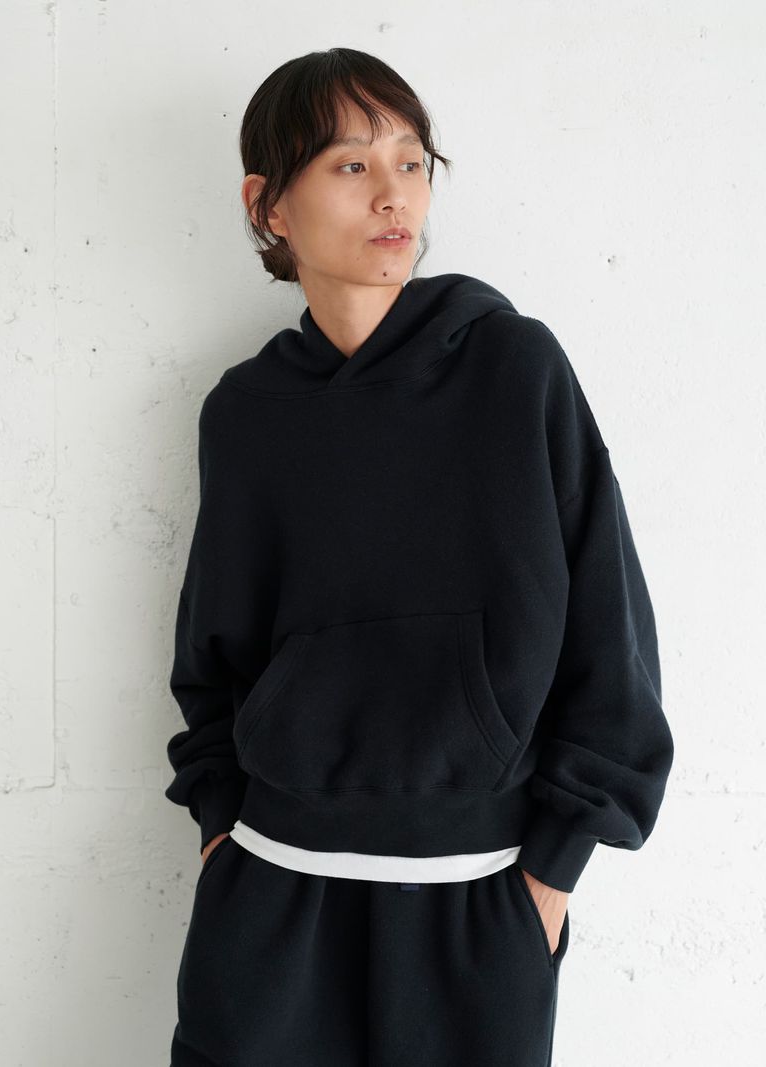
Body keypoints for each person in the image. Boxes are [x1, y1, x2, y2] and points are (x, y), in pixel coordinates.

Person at [164, 47, 674, 1067]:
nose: (393, 192)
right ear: (268, 204)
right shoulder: (246, 413)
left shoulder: (514, 370)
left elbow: (609, 637)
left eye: (411, 160)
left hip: (475, 901)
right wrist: (221, 830)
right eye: (351, 165)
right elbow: (213, 655)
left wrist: (549, 873)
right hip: (269, 897)